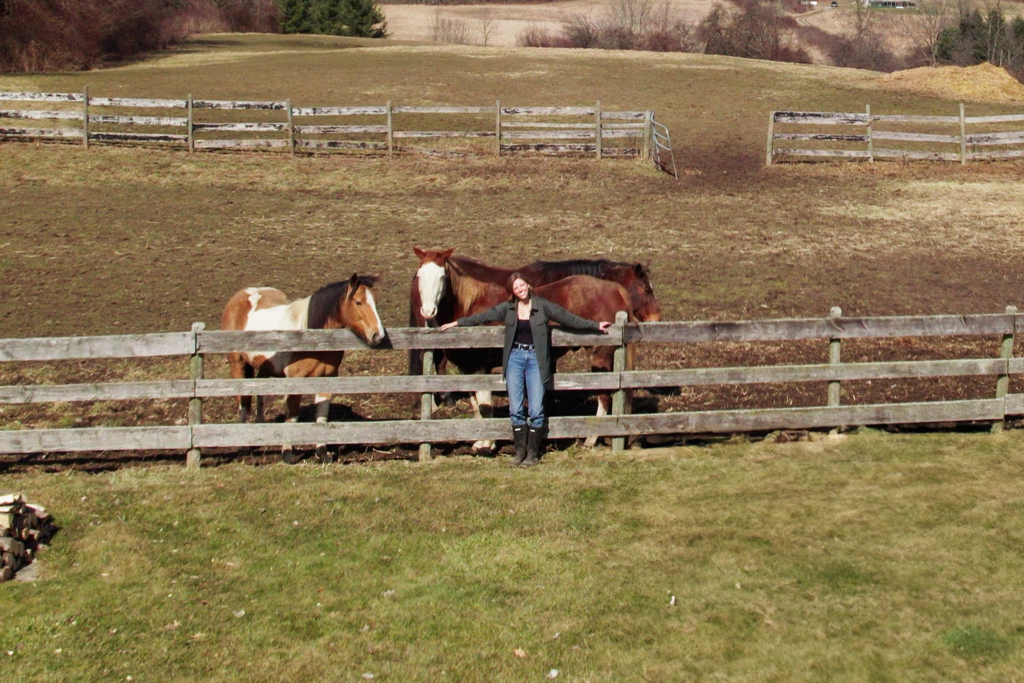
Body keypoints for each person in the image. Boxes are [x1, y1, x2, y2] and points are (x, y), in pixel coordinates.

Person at [440, 273, 611, 467]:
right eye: (515, 287)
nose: (520, 289)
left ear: (528, 285)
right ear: (512, 292)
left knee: (536, 408)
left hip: (535, 360)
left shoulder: (543, 306)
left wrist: (595, 325)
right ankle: (519, 452)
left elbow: (569, 318)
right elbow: (483, 317)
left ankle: (533, 453)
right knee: (516, 409)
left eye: (522, 285)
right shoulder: (508, 309)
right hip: (515, 359)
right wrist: (457, 323)